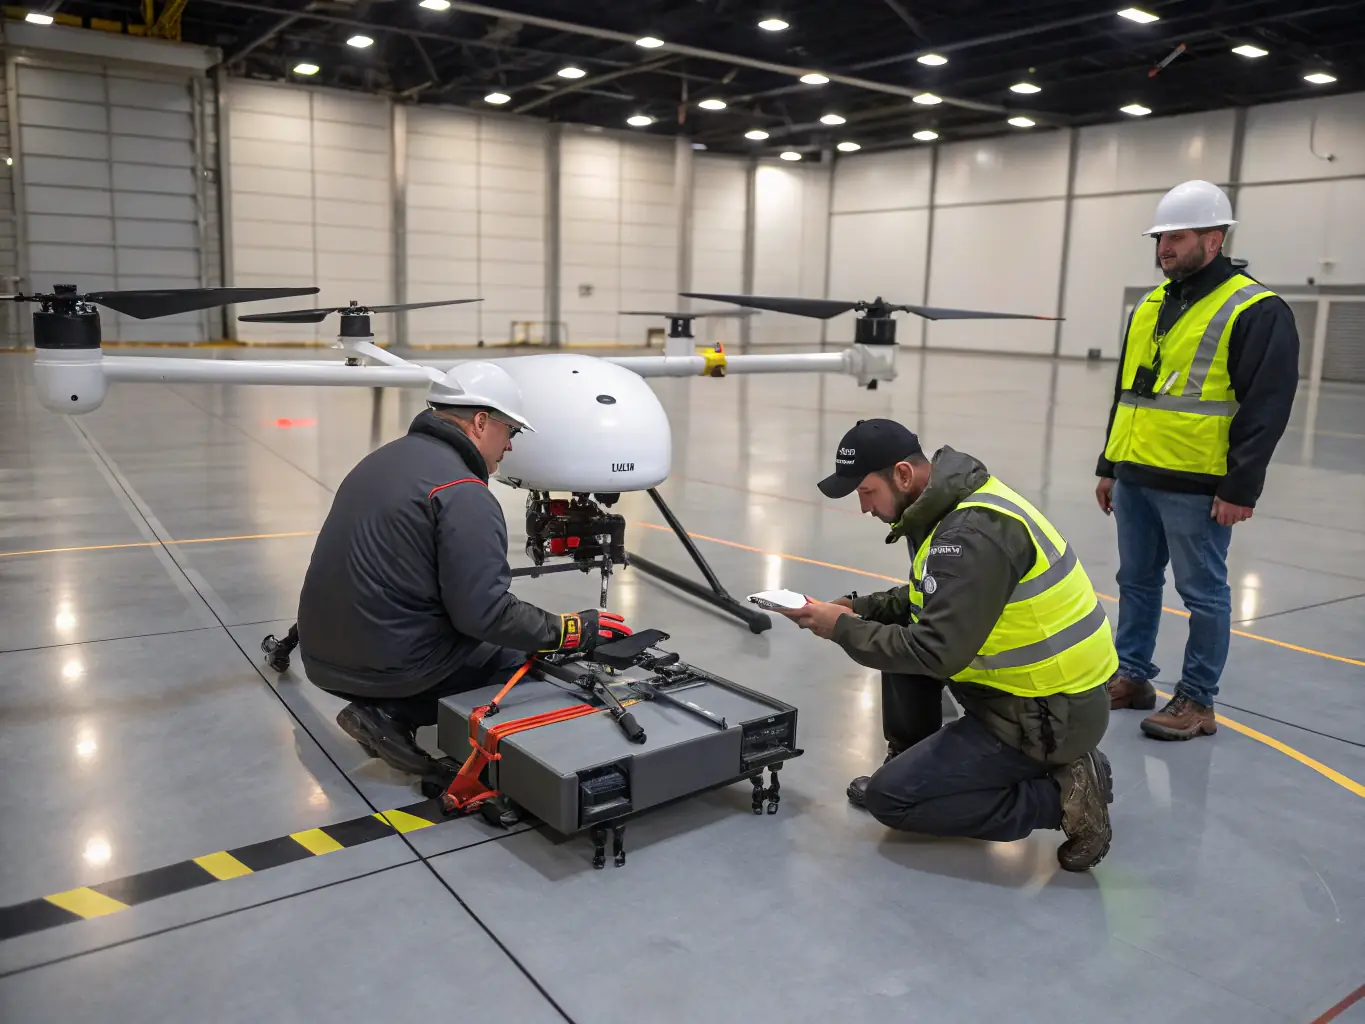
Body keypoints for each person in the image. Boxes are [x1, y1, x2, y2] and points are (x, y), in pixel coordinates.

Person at [782, 419, 1117, 872]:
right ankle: (914, 758)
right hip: (1025, 697)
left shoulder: (970, 535)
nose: (864, 508)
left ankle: (1063, 797)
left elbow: (936, 652)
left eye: (866, 492)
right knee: (894, 622)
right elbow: (934, 597)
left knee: (892, 801)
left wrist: (839, 627)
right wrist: (864, 608)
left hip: (1047, 715)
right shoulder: (948, 507)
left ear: (902, 475)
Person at [295, 361, 629, 777]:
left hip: (322, 655)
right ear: (481, 422)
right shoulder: (463, 492)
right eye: (511, 431)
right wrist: (571, 630)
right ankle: (394, 712)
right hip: (387, 667)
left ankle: (387, 704)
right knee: (523, 658)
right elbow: (485, 614)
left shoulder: (384, 459)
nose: (510, 446)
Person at [1096, 180, 1299, 740]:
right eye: (1160, 237)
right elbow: (1128, 391)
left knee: (1202, 595)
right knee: (1135, 582)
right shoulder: (1151, 302)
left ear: (1214, 240)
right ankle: (1133, 676)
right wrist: (1109, 463)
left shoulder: (1256, 309)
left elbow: (1268, 406)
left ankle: (1198, 700)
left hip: (1197, 483)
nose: (1164, 248)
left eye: (1176, 238)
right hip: (1136, 473)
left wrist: (1241, 487)